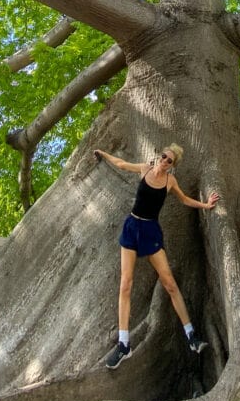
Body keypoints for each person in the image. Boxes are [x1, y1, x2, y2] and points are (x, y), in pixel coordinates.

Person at [94, 142, 220, 369]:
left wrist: (206, 205)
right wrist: (103, 153)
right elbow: (122, 164)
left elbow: (183, 199)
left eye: (169, 160)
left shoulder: (170, 182)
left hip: (151, 231)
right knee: (126, 284)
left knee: (170, 283)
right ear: (159, 155)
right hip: (132, 228)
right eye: (163, 156)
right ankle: (124, 344)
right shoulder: (144, 169)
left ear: (173, 166)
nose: (164, 161)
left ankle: (191, 336)